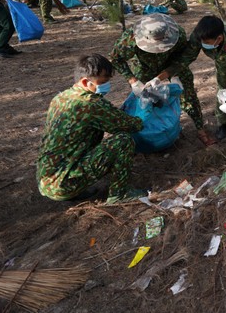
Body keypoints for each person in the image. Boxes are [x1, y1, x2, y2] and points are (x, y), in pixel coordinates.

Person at [36, 54, 145, 204]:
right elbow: (133, 125)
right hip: (63, 183)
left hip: (48, 179)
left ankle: (73, 189)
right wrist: (146, 111)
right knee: (123, 141)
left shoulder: (61, 98)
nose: (106, 86)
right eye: (103, 82)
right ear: (85, 81)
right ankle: (120, 194)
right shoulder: (90, 104)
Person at [108, 13, 212, 147]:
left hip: (172, 65)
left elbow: (183, 56)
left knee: (188, 95)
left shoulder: (176, 33)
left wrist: (173, 74)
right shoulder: (130, 38)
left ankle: (200, 129)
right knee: (146, 100)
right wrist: (132, 80)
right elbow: (116, 58)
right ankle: (151, 132)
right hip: (143, 67)